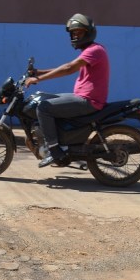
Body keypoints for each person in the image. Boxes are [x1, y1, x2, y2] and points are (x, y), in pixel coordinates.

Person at [25, 14, 110, 167]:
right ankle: (62, 141)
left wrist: (38, 79)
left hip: (88, 100)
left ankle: (54, 150)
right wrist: (39, 72)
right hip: (82, 96)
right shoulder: (91, 50)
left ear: (89, 32)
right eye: (74, 33)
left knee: (43, 108)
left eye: (79, 32)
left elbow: (69, 68)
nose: (76, 36)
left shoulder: (94, 50)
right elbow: (67, 67)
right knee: (46, 98)